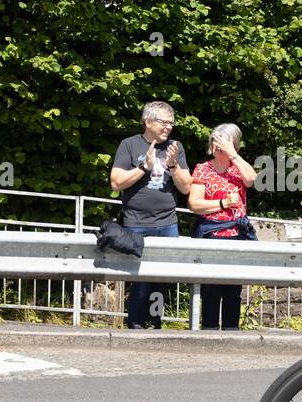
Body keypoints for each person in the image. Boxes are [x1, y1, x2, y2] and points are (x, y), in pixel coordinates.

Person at [109, 101, 191, 328]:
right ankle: (135, 325)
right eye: (164, 122)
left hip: (167, 223)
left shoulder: (176, 147)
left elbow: (186, 188)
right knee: (140, 280)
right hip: (136, 223)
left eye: (171, 123)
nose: (169, 127)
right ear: (148, 121)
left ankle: (155, 324)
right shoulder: (130, 145)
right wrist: (144, 167)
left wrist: (174, 167)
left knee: (162, 279)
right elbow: (116, 183)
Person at [189, 123, 258, 330]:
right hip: (212, 234)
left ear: (234, 145)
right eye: (214, 140)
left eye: (222, 141)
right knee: (211, 290)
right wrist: (222, 204)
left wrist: (233, 155)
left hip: (237, 236)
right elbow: (195, 204)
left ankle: (232, 332)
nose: (216, 145)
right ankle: (209, 332)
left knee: (232, 291)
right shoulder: (203, 169)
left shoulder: (239, 168)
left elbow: (251, 180)